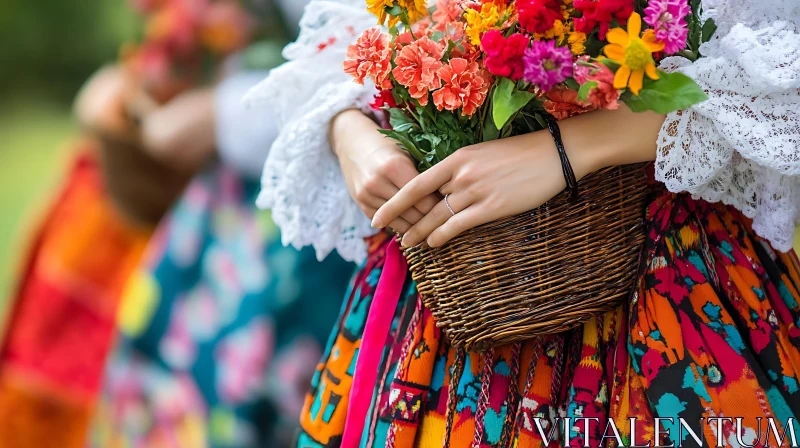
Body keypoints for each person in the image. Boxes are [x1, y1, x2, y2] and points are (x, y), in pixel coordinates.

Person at [248, 0, 800, 446]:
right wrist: (352, 134)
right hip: (444, 289)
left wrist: (566, 149)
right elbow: (342, 38)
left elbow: (779, 85)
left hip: (660, 270)